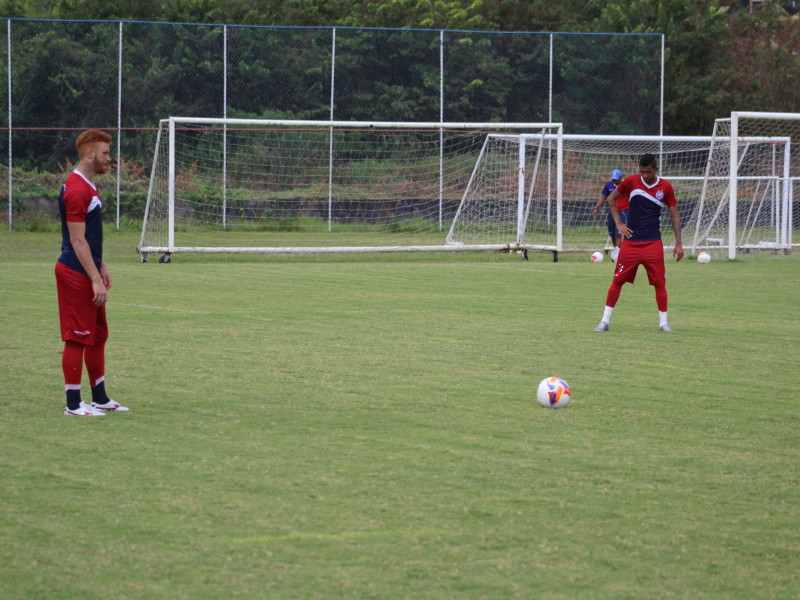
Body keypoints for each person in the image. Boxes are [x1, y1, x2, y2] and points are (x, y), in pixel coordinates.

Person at [56, 129, 129, 415]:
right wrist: (94, 278)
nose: (110, 159)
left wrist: (101, 265)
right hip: (75, 272)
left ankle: (100, 398)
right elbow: (76, 240)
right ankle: (73, 404)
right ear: (90, 154)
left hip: (88, 270)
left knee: (98, 335)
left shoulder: (89, 185)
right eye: (106, 154)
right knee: (77, 336)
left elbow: (91, 236)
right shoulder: (75, 188)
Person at [593, 153, 684, 333]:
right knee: (617, 281)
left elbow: (674, 216)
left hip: (653, 244)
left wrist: (678, 243)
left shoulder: (665, 187)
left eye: (648, 172)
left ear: (655, 169)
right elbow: (611, 199)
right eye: (641, 171)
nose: (644, 175)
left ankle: (664, 323)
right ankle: (604, 321)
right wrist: (619, 223)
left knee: (660, 283)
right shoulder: (631, 181)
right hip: (631, 244)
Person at [591, 168, 629, 262]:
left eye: (616, 179)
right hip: (612, 212)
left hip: (623, 212)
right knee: (612, 234)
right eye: (613, 178)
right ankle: (617, 252)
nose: (614, 180)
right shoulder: (609, 185)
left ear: (621, 177)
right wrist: (597, 207)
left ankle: (617, 256)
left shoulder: (627, 185)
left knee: (618, 235)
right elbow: (603, 197)